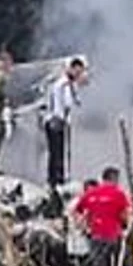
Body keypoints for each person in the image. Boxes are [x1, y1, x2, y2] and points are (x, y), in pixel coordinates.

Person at [72, 167, 131, 266]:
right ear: (114, 178)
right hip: (113, 237)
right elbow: (125, 216)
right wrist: (124, 225)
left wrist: (84, 227)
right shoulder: (119, 194)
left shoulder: (91, 193)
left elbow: (76, 211)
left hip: (96, 237)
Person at [41, 56, 87, 193]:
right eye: (76, 71)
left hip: (63, 120)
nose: (78, 74)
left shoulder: (71, 84)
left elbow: (74, 101)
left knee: (61, 150)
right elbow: (57, 104)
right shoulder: (60, 84)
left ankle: (60, 177)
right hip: (55, 120)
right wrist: (59, 119)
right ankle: (53, 179)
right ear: (71, 69)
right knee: (55, 152)